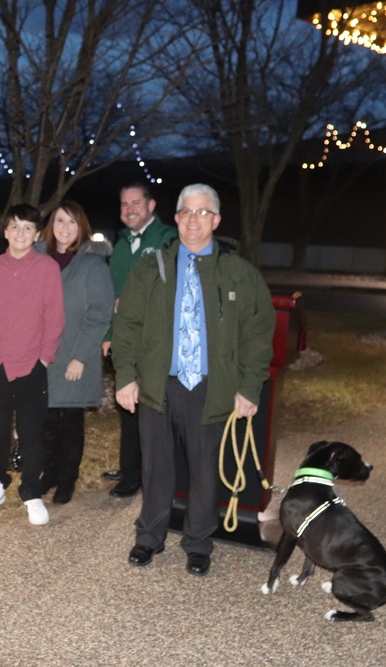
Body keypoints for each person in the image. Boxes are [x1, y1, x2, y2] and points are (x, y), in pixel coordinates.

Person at [112, 183, 274, 576]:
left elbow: (257, 332)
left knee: (205, 471)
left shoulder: (238, 273)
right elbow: (127, 325)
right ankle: (149, 536)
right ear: (177, 218)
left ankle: (199, 543)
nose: (193, 220)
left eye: (202, 212)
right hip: (157, 386)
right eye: (186, 212)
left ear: (216, 220)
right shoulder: (152, 268)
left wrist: (249, 385)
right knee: (155, 467)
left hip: (208, 386)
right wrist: (126, 377)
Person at [0, 204, 64, 526]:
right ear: (5, 231)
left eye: (27, 228)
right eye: (14, 227)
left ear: (36, 234)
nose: (20, 233)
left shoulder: (46, 269)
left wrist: (44, 358)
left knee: (32, 431)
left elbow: (54, 317)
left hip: (31, 365)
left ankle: (31, 492)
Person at [102, 182, 177, 498]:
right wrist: (108, 335)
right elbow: (111, 294)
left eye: (135, 203)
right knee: (127, 406)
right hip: (125, 341)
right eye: (123, 204)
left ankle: (151, 474)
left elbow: (172, 285)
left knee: (155, 409)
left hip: (157, 341)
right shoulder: (120, 245)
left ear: (151, 205)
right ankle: (131, 469)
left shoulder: (167, 239)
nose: (129, 209)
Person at [37, 202, 114, 505]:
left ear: (80, 227)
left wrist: (80, 357)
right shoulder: (37, 258)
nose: (65, 227)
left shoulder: (92, 264)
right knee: (45, 420)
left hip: (73, 354)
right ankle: (49, 473)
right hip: (41, 355)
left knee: (69, 421)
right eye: (59, 221)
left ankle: (68, 478)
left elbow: (99, 313)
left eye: (71, 222)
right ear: (51, 225)